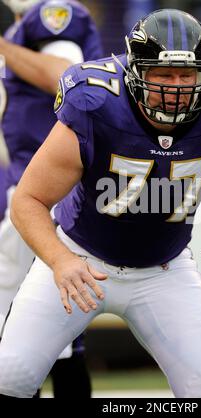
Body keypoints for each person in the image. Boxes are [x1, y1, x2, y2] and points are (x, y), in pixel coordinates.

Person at [0, 9, 201, 398]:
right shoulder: (95, 103)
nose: (176, 87)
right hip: (81, 259)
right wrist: (60, 261)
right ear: (136, 73)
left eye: (186, 75)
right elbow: (28, 200)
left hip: (165, 271)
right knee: (10, 376)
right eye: (163, 75)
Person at [0, 0, 103, 398]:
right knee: (42, 335)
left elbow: (66, 75)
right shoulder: (24, 30)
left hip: (51, 191)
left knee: (44, 336)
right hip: (32, 184)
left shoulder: (54, 14)